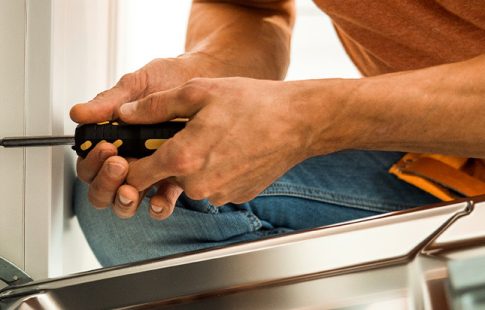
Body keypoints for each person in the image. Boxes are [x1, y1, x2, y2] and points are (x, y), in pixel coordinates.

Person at [70, 0, 485, 267]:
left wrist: (312, 119)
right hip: (450, 159)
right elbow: (247, 7)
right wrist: (211, 66)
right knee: (140, 203)